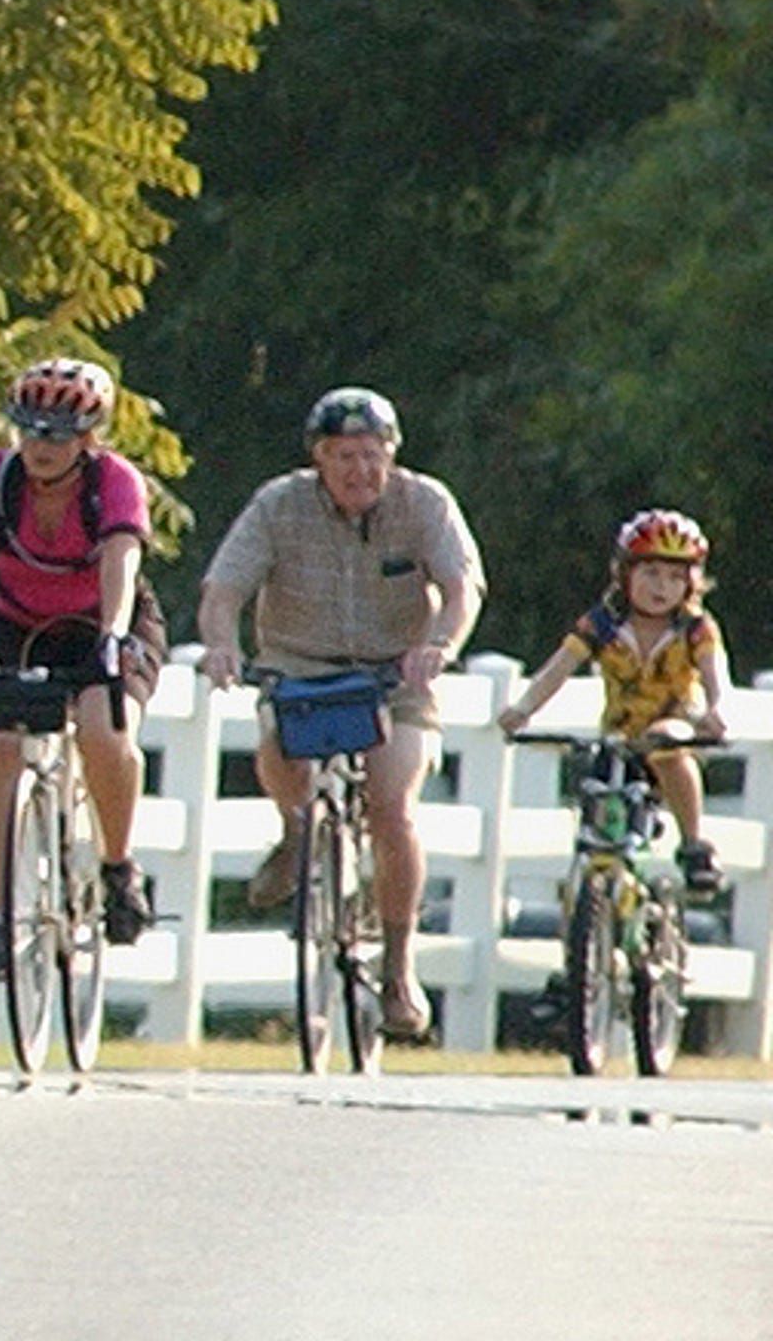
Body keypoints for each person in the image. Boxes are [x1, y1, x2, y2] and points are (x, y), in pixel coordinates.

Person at [198, 386, 483, 1041]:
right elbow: (225, 586)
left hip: (395, 675)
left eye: (372, 454)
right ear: (319, 459)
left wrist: (440, 644)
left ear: (392, 455)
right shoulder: (277, 505)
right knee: (275, 744)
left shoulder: (425, 504)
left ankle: (399, 968)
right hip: (301, 665)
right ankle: (297, 833)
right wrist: (222, 645)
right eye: (344, 455)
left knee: (393, 805)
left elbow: (461, 586)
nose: (361, 470)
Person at [0, 358, 162, 985]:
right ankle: (0, 921)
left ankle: (118, 870)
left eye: (57, 434)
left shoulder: (114, 481)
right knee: (0, 748)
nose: (40, 446)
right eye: (29, 431)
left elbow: (121, 560)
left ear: (89, 437)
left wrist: (112, 638)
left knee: (102, 731)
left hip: (101, 621)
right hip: (19, 622)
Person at [494, 508, 731, 895]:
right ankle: (596, 908)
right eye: (651, 573)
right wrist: (523, 709)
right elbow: (559, 667)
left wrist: (719, 709)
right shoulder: (603, 625)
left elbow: (715, 671)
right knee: (598, 819)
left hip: (674, 738)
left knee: (665, 738)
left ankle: (694, 844)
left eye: (675, 576)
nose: (662, 586)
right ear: (625, 574)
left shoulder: (695, 628)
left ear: (692, 583)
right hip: (620, 740)